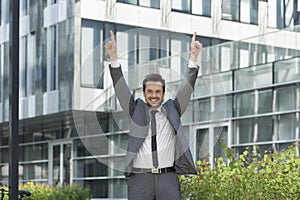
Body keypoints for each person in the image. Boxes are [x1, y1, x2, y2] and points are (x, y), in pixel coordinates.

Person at [105, 30, 202, 200]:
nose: (154, 95)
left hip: (168, 178)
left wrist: (193, 57)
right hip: (141, 179)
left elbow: (186, 88)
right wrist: (114, 58)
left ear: (164, 93)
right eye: (149, 91)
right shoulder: (135, 110)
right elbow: (121, 89)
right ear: (144, 93)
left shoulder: (173, 108)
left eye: (158, 91)